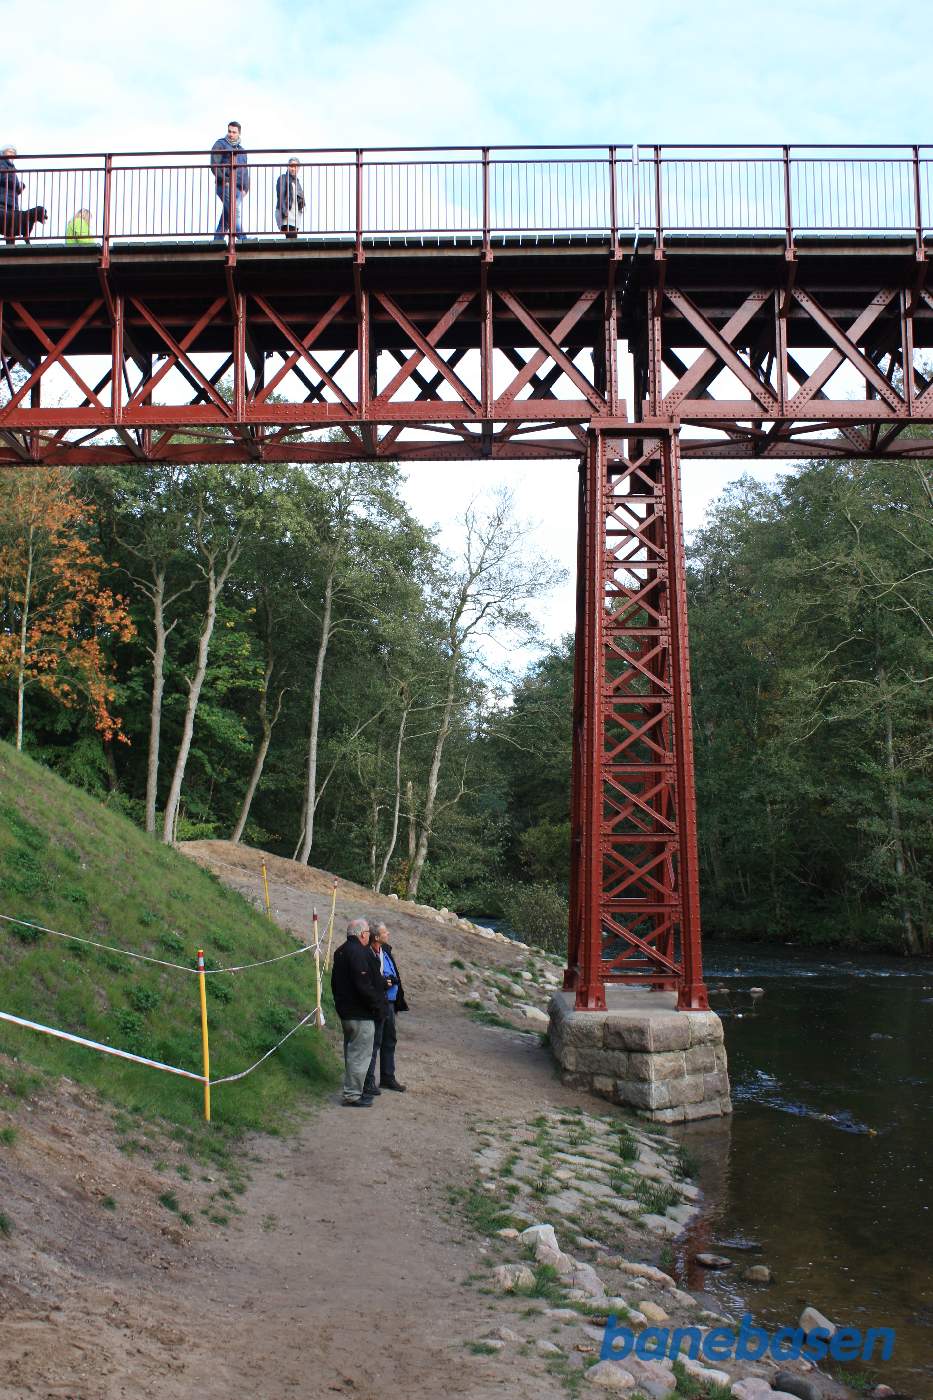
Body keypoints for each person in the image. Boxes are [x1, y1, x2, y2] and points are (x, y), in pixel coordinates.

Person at [330, 917, 384, 1107]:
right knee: (360, 1055)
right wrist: (377, 1007)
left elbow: (335, 983)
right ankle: (353, 1094)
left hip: (346, 1012)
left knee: (352, 1053)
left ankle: (354, 1091)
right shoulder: (360, 953)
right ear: (363, 934)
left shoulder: (340, 952)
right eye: (368, 933)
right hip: (361, 1014)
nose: (369, 937)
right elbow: (364, 986)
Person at [363, 922, 408, 1095]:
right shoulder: (369, 953)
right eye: (384, 932)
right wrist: (386, 982)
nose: (388, 933)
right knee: (375, 1042)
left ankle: (388, 1077)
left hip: (390, 1002)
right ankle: (369, 1081)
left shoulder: (386, 951)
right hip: (378, 1002)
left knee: (390, 1040)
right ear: (376, 937)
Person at [210, 121, 249, 243]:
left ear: (239, 133)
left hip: (239, 189)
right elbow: (214, 165)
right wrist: (225, 180)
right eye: (229, 131)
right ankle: (243, 238)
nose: (231, 134)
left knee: (228, 214)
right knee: (233, 211)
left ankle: (218, 239)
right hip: (225, 185)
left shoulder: (242, 150)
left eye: (234, 132)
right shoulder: (220, 144)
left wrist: (245, 188)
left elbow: (245, 169)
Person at [275, 158, 304, 239]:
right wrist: (285, 211)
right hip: (287, 214)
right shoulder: (283, 178)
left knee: (292, 239)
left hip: (295, 216)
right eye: (291, 166)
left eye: (295, 167)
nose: (293, 168)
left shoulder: (297, 182)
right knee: (292, 240)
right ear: (288, 167)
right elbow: (280, 195)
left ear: (298, 169)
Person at [0, 146, 24, 244]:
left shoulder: (12, 167)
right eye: (10, 152)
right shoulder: (1, 163)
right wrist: (16, 184)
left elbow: (12, 184)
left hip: (11, 202)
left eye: (14, 153)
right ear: (4, 153)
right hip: (2, 201)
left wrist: (20, 187)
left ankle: (10, 247)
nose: (12, 154)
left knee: (11, 226)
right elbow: (3, 178)